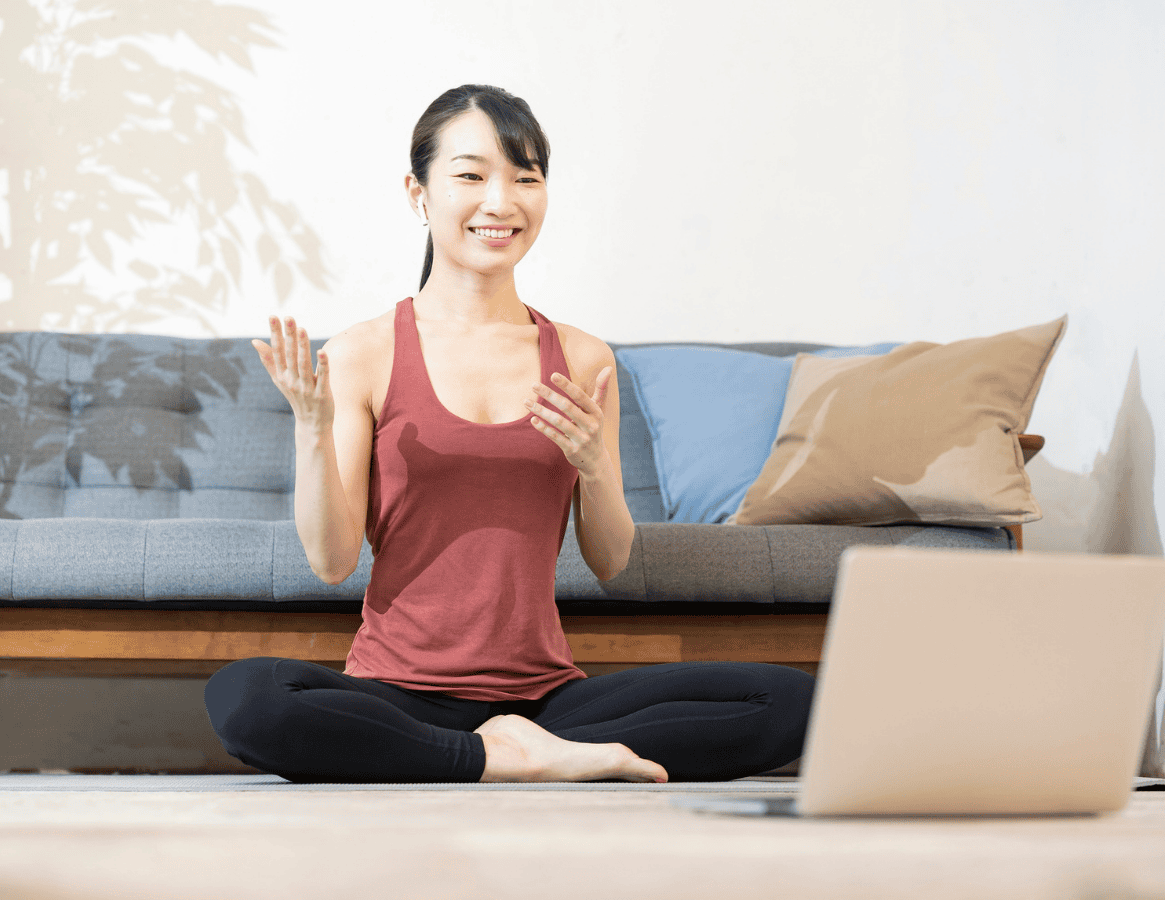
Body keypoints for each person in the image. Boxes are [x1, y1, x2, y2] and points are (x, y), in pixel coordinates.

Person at [203, 84, 815, 783]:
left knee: (790, 698)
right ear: (418, 193)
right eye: (471, 175)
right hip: (399, 695)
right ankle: (500, 760)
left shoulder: (583, 358)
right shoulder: (363, 353)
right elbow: (332, 560)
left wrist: (593, 465)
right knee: (246, 698)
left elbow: (612, 560)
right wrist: (312, 431)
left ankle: (513, 750)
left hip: (547, 699)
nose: (502, 201)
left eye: (526, 178)